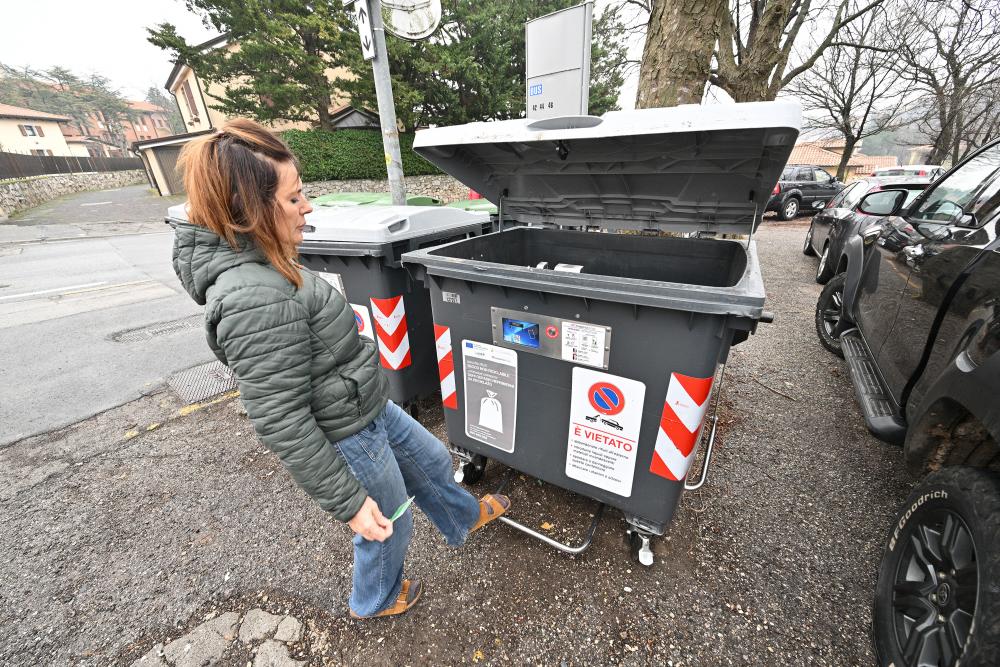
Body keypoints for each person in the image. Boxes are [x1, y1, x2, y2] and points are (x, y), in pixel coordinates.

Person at [171, 119, 510, 619]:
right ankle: (373, 598)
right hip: (345, 430)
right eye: (293, 199)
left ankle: (461, 519)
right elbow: (281, 420)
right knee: (386, 519)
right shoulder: (251, 298)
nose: (307, 208)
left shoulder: (266, 261)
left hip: (364, 404)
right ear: (247, 212)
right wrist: (350, 503)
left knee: (434, 461)